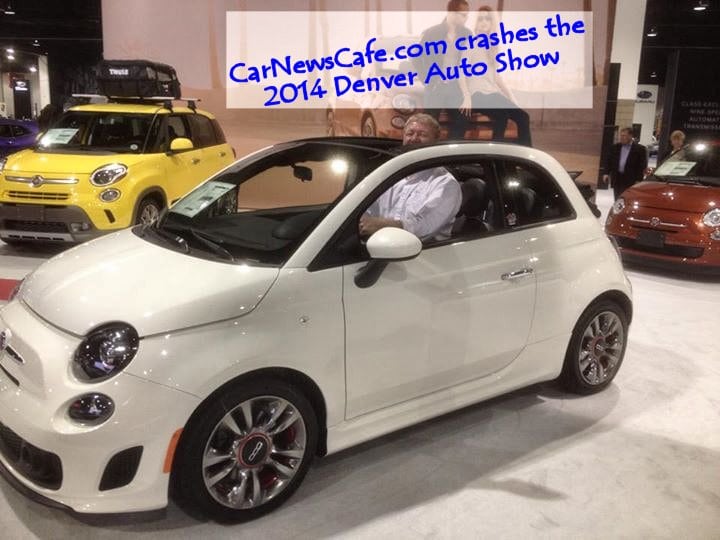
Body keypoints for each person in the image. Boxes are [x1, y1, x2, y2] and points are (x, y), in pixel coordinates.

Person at [359, 113, 462, 241]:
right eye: (410, 133)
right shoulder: (389, 175)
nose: (414, 139)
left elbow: (424, 226)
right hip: (378, 246)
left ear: (435, 141)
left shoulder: (445, 184)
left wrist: (382, 226)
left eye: (422, 134)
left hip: (426, 251)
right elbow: (367, 211)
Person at [458, 6, 533, 146]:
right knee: (502, 116)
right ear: (476, 23)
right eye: (480, 19)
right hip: (477, 94)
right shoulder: (471, 42)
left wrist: (512, 99)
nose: (484, 22)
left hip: (492, 93)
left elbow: (497, 77)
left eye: (487, 19)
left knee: (523, 117)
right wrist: (466, 96)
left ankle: (526, 155)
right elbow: (461, 72)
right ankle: (495, 154)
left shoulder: (493, 46)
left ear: (492, 22)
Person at [414, 0, 472, 139]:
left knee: (463, 119)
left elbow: (469, 62)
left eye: (467, 15)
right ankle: (430, 151)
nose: (466, 19)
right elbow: (416, 58)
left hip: (455, 87)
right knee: (429, 125)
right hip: (435, 86)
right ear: (452, 13)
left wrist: (467, 92)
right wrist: (427, 79)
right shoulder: (431, 33)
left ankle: (449, 149)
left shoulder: (467, 34)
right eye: (463, 15)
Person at [603, 127, 648, 200]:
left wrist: (639, 180)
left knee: (628, 199)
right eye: (621, 135)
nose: (621, 138)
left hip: (631, 179)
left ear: (630, 136)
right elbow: (609, 161)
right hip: (617, 178)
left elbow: (642, 165)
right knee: (617, 198)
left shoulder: (640, 149)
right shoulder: (615, 147)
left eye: (624, 136)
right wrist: (606, 173)